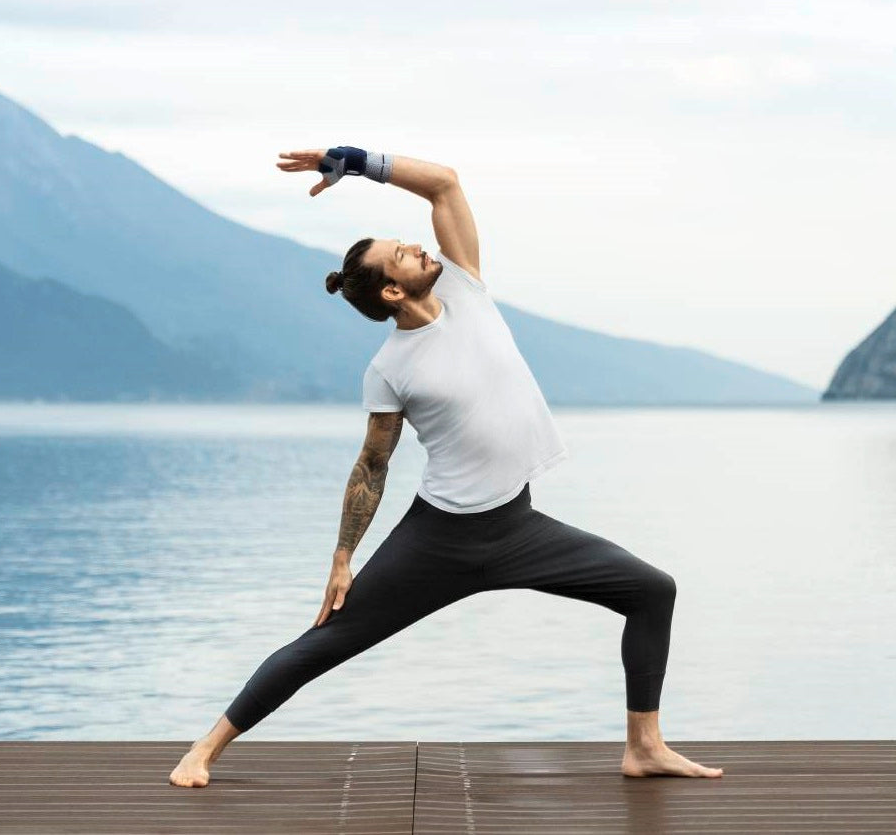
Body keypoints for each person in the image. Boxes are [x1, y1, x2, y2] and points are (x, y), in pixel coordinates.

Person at [169, 147, 723, 787]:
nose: (417, 248)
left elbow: (444, 185)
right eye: (402, 254)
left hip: (519, 529)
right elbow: (373, 466)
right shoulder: (390, 369)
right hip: (440, 540)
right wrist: (343, 558)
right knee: (328, 640)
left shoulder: (465, 288)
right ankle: (203, 750)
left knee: (651, 590)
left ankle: (643, 747)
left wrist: (355, 160)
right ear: (393, 291)